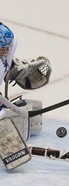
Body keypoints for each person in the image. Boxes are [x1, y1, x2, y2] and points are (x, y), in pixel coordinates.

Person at [0, 22, 52, 169]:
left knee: (30, 121)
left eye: (5, 49)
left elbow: (5, 64)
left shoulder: (10, 43)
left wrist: (18, 70)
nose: (4, 52)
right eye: (0, 49)